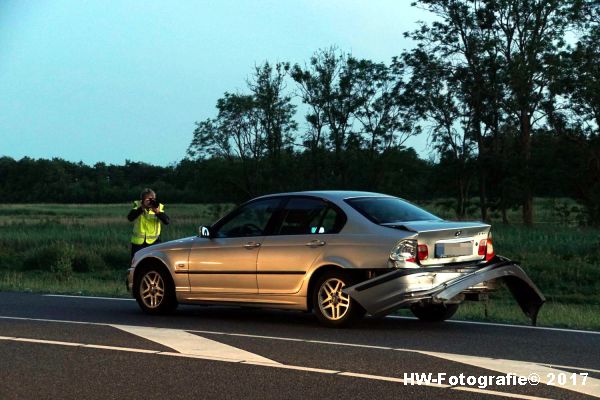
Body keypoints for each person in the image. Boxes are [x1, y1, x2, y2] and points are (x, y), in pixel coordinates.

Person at [127, 188, 170, 260]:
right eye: (148, 199)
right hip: (138, 242)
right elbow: (130, 218)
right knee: (136, 262)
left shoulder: (158, 207)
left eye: (152, 199)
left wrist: (157, 212)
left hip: (154, 242)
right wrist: (142, 208)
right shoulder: (138, 205)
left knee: (154, 262)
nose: (151, 201)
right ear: (143, 200)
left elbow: (167, 221)